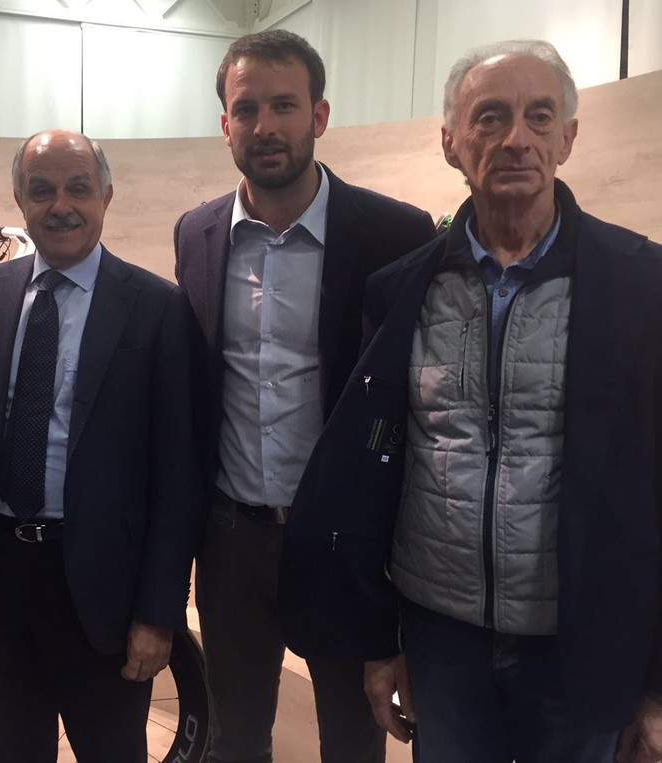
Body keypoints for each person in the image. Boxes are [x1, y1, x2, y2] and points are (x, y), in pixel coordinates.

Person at [280, 39, 662, 763]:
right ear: (452, 142)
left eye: (539, 116)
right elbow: (374, 478)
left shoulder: (657, 289)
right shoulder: (400, 290)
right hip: (441, 645)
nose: (516, 138)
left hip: (580, 646)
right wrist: (377, 641)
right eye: (489, 117)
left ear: (568, 138)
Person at [174, 29, 437, 763]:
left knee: (353, 740)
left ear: (319, 115)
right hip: (232, 538)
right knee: (233, 739)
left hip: (345, 541)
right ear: (225, 123)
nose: (265, 126)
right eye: (246, 108)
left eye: (284, 105)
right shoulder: (197, 234)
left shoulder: (395, 233)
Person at [0, 129, 202, 762]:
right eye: (42, 190)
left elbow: (178, 475)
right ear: (19, 200)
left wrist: (159, 613)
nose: (60, 206)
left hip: (103, 587)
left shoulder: (157, 306)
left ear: (106, 196)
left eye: (78, 189)